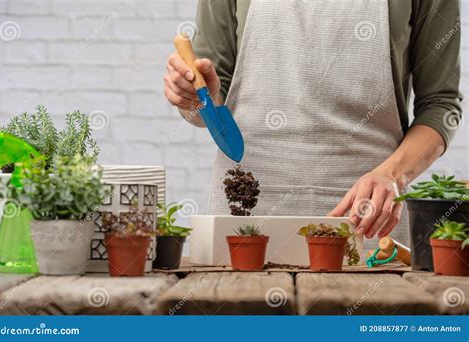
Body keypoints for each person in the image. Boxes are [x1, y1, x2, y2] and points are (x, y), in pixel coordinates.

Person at [164, 0, 463, 251]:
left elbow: (440, 104)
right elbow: (209, 105)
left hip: (367, 220)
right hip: (245, 209)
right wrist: (191, 98)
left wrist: (392, 175)